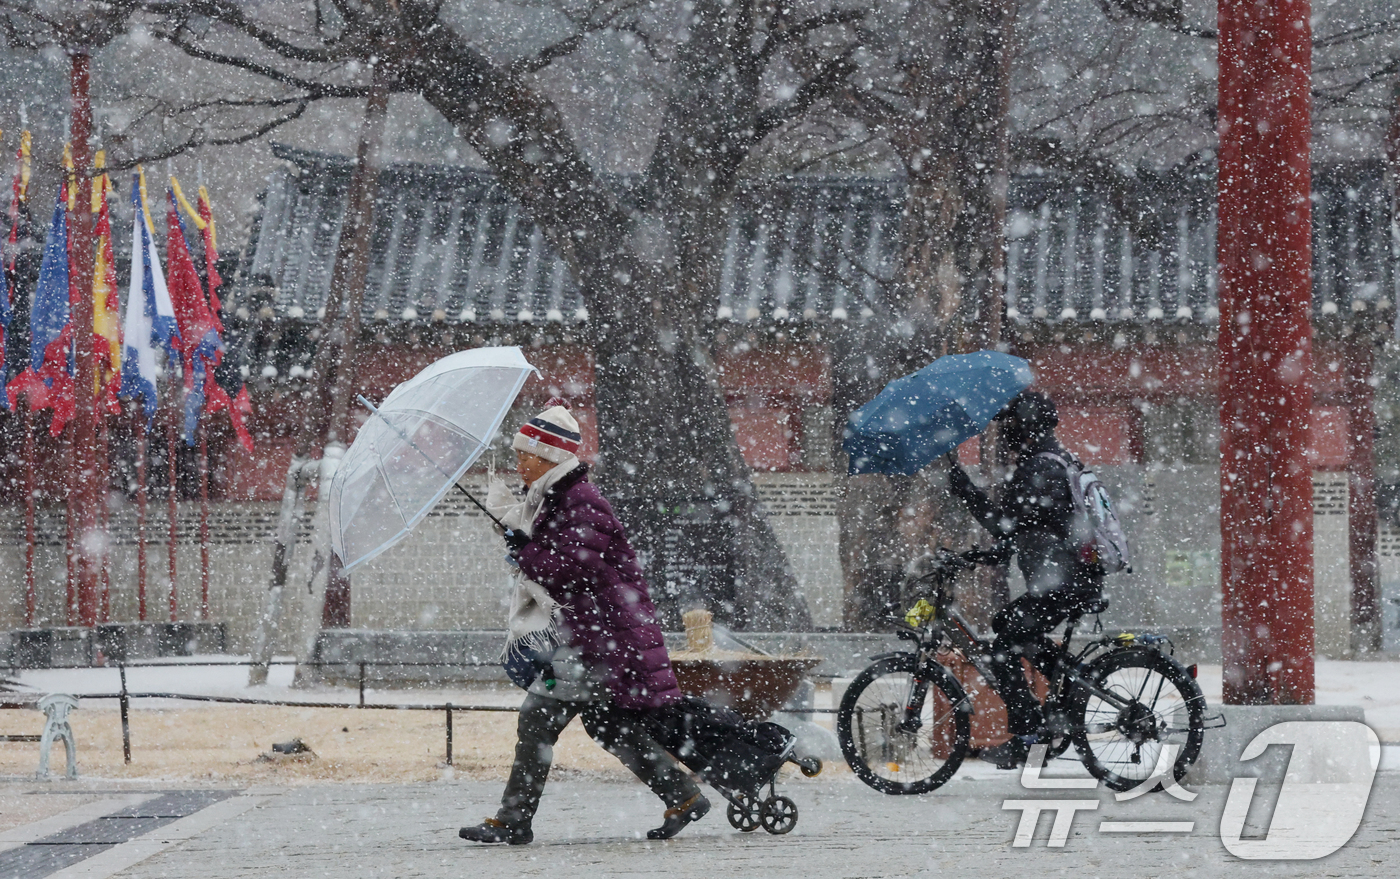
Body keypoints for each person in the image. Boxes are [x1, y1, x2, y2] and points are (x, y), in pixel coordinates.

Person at [460, 401, 709, 845]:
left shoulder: (580, 501)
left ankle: (514, 820)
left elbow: (573, 568)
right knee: (608, 725)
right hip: (592, 635)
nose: (518, 463)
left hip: (595, 638)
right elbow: (561, 562)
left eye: (524, 455)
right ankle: (684, 796)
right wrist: (523, 542)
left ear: (548, 458)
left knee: (538, 718)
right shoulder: (556, 499)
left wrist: (525, 551)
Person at [946, 389, 1104, 769]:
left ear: (1026, 427)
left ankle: (1028, 732)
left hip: (1067, 582)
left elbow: (1008, 526)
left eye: (1011, 426)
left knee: (1005, 639)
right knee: (1014, 629)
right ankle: (1070, 689)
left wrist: (965, 488)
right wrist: (975, 557)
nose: (1006, 435)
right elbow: (1022, 534)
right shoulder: (1053, 461)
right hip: (1071, 579)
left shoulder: (1041, 468)